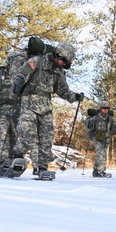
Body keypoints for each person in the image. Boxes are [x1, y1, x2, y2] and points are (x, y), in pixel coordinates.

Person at [12, 42, 84, 177]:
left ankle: (42, 167)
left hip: (45, 105)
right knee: (28, 134)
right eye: (63, 60)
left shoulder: (58, 71)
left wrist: (74, 96)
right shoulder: (36, 61)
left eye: (66, 62)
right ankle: (17, 155)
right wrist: (19, 81)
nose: (63, 64)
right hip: (29, 101)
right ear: (57, 54)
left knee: (46, 138)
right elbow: (21, 75)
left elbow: (63, 90)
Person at [86, 100, 116, 178]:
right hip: (97, 137)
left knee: (101, 155)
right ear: (100, 108)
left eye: (107, 108)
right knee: (101, 154)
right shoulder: (95, 118)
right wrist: (89, 122)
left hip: (106, 138)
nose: (106, 109)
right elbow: (87, 125)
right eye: (104, 108)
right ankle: (101, 171)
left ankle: (96, 171)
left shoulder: (111, 119)